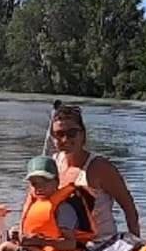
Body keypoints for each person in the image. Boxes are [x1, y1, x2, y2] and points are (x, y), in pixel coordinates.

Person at [49, 102, 140, 238]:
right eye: (59, 134)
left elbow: (129, 208)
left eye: (72, 133)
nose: (65, 139)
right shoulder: (53, 163)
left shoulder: (100, 168)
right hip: (66, 242)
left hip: (101, 242)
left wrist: (135, 242)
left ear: (83, 134)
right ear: (52, 138)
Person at [0, 155, 96, 251]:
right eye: (34, 183)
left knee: (5, 249)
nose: (39, 187)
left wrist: (39, 241)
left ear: (56, 182)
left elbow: (70, 244)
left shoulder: (63, 209)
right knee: (5, 236)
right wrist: (18, 234)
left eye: (45, 182)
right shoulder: (35, 202)